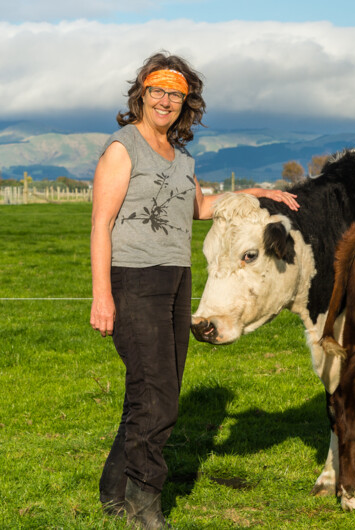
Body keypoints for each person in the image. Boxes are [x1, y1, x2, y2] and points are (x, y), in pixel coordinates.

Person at [89, 52, 299, 528]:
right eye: (157, 91)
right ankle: (145, 504)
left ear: (187, 103)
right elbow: (100, 223)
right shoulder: (123, 149)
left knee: (151, 390)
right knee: (159, 396)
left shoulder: (182, 157)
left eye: (176, 94)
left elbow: (201, 207)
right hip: (134, 278)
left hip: (176, 279)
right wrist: (103, 295)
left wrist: (261, 193)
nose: (165, 101)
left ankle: (114, 490)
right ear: (141, 94)